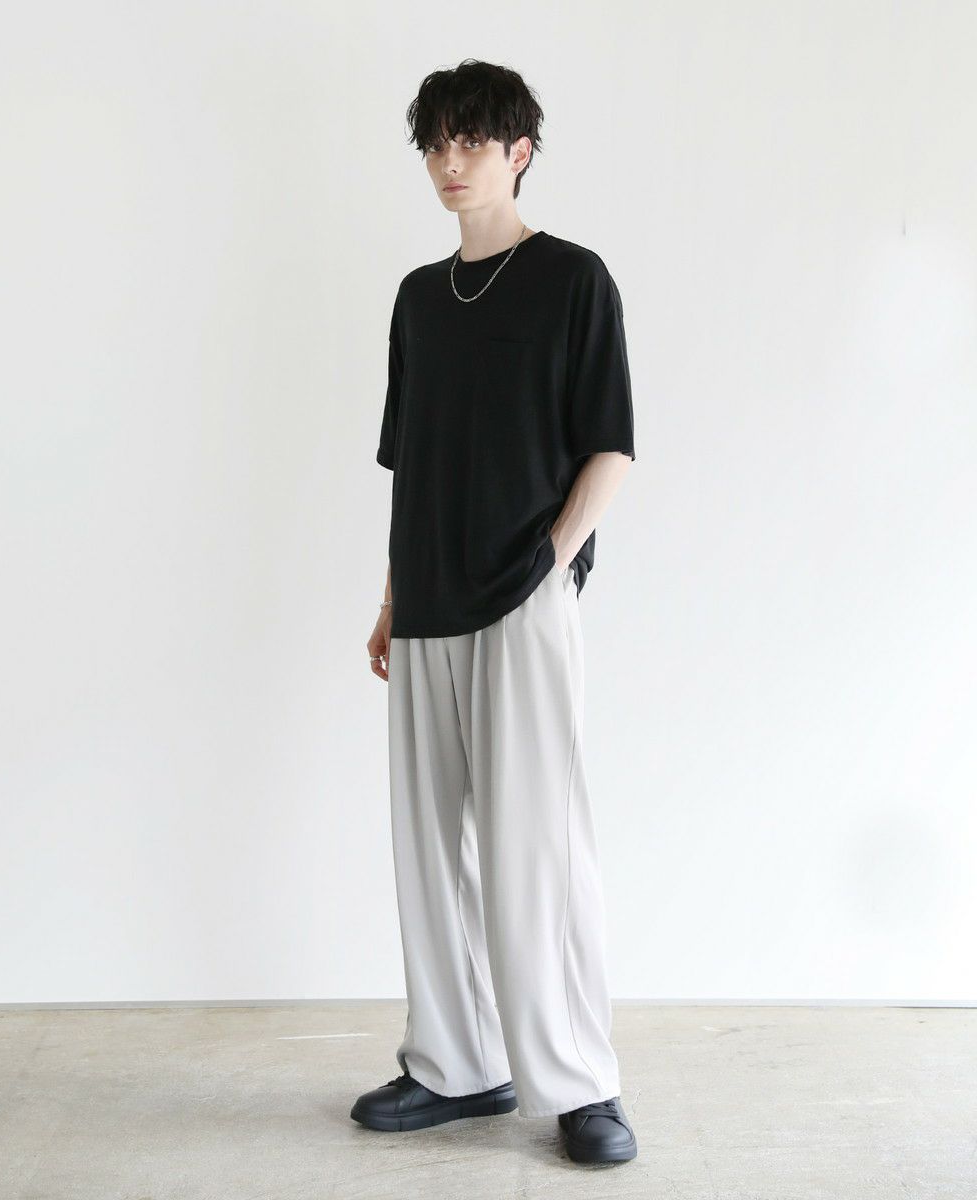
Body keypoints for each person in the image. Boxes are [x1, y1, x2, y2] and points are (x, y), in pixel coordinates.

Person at [354, 58, 638, 1166]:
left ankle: (580, 1083)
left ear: (519, 151)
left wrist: (549, 565)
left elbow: (610, 448)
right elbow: (408, 463)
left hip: (523, 598)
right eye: (436, 143)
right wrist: (391, 597)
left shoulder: (573, 280)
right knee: (428, 845)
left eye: (471, 141)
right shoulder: (418, 299)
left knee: (537, 847)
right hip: (426, 598)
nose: (450, 161)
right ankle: (455, 1065)